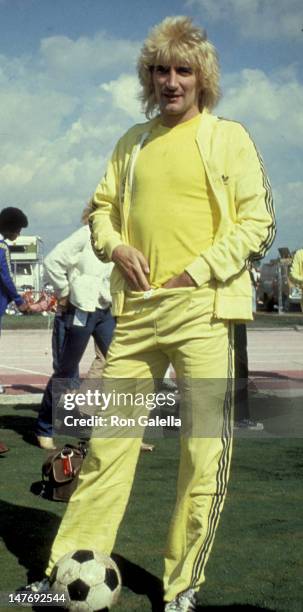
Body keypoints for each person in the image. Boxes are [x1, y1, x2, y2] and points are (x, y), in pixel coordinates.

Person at [23, 16, 275, 611]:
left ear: (202, 77)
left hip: (204, 312)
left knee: (201, 452)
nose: (170, 80)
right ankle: (69, 571)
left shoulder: (228, 138)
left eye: (182, 69)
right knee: (109, 446)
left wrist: (199, 270)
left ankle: (182, 585)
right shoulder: (130, 143)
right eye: (160, 69)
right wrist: (117, 246)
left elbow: (257, 223)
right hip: (134, 313)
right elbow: (100, 209)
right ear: (148, 76)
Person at [35, 203, 115, 450]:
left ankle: (110, 429)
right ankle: (45, 428)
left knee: (119, 363)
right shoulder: (84, 236)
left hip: (105, 310)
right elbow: (52, 262)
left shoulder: (118, 240)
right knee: (66, 372)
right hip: (80, 311)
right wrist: (65, 291)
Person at [0, 206, 29, 447]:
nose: (18, 234)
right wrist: (19, 300)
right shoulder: (1, 247)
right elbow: (6, 276)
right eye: (18, 230)